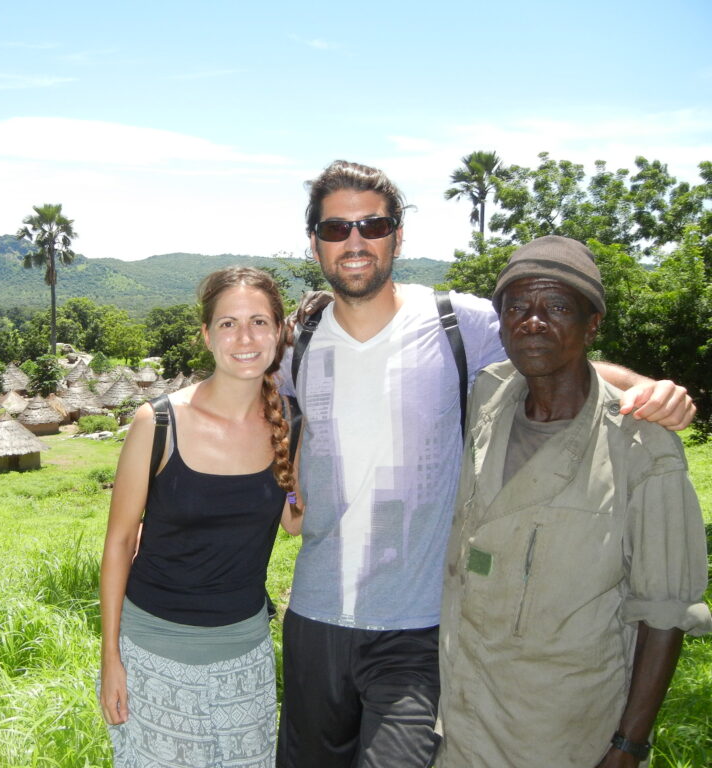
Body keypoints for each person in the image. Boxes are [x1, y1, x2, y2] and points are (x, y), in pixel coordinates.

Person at [276, 161, 696, 768]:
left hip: (420, 628)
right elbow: (248, 406)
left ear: (398, 234)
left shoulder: (458, 321)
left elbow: (552, 356)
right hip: (314, 615)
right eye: (336, 228)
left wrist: (649, 389)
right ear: (313, 240)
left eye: (372, 223)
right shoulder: (300, 340)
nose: (355, 241)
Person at [436, 235, 710, 767]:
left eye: (557, 307)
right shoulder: (489, 395)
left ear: (592, 325)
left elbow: (666, 611)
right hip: (464, 716)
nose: (532, 322)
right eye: (517, 308)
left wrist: (628, 745)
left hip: (563, 730)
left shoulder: (643, 446)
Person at [99, 266, 295, 767]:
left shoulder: (290, 423)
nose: (245, 337)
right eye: (228, 324)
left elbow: (295, 520)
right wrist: (111, 658)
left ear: (279, 331)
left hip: (245, 658)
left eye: (259, 322)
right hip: (155, 653)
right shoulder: (159, 422)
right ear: (207, 335)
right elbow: (120, 543)